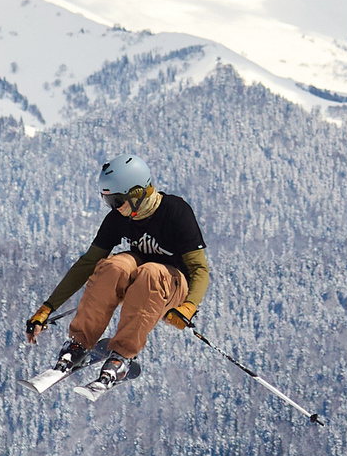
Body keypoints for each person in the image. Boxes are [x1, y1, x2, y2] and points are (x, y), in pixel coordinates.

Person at [24, 154, 212, 390]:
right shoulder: (118, 218)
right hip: (141, 278)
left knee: (150, 273)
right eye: (107, 201)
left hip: (172, 286)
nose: (113, 208)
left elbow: (199, 269)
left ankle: (122, 356)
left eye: (115, 201)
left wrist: (189, 306)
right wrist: (47, 308)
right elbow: (87, 263)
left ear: (136, 193)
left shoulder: (176, 211)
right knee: (113, 266)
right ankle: (78, 344)